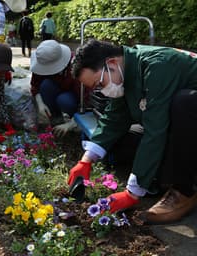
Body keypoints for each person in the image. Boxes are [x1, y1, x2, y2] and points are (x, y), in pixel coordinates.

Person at [69, 39, 197, 224]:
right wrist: (86, 160)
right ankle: (160, 178)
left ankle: (184, 190)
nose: (102, 91)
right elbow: (114, 119)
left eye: (99, 84)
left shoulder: (157, 66)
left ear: (111, 63)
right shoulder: (128, 70)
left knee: (184, 103)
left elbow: (155, 130)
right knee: (123, 141)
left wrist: (132, 193)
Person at [30, 40, 83, 133]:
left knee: (64, 101)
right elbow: (35, 85)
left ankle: (75, 118)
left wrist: (73, 123)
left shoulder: (75, 65)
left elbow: (85, 97)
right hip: (54, 89)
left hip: (72, 95)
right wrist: (40, 103)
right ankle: (56, 117)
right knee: (46, 85)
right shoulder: (43, 59)